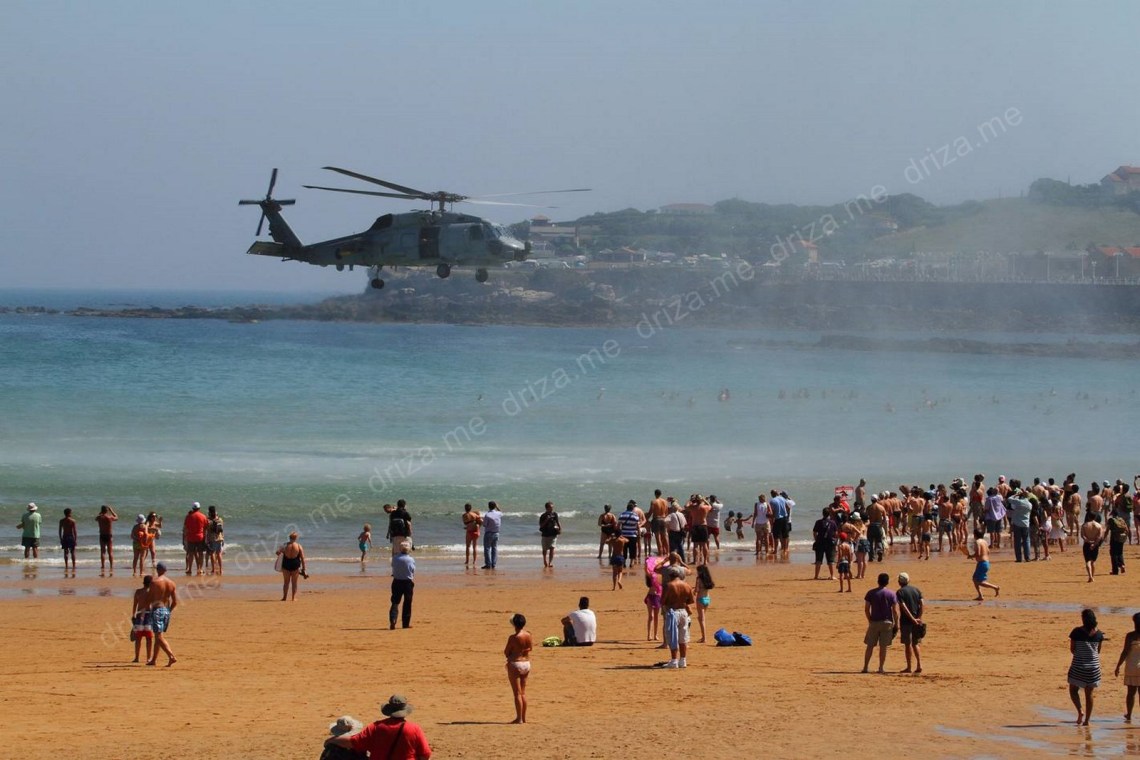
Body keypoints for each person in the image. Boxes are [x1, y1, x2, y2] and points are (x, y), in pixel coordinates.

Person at [324, 695, 432, 759]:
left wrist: (332, 740)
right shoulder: (414, 729)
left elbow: (353, 742)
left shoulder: (376, 727)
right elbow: (426, 754)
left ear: (388, 710)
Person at [1068, 608, 1105, 726]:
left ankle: (1080, 711)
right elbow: (1098, 651)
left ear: (1083, 619)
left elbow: (1072, 649)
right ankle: (1087, 721)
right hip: (1094, 668)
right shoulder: (1099, 634)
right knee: (1089, 694)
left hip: (1079, 666)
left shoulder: (1076, 632)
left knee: (1073, 690)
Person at [862, 572, 899, 674]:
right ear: (887, 582)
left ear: (878, 581)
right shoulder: (891, 594)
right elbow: (894, 611)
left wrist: (870, 620)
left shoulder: (871, 593)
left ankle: (865, 667)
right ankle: (881, 667)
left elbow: (866, 609)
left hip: (874, 622)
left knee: (870, 646)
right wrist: (896, 623)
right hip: (887, 622)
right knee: (883, 647)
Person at [659, 566, 695, 669]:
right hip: (683, 612)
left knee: (672, 636)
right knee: (683, 637)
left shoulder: (669, 585)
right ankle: (683, 660)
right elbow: (691, 600)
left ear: (670, 575)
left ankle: (674, 660)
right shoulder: (686, 585)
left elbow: (662, 601)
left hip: (672, 612)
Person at [143, 562, 177, 667]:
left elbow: (149, 598)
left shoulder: (155, 582)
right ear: (165, 570)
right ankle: (154, 660)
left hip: (157, 609)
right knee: (159, 635)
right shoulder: (172, 583)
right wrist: (169, 611)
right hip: (166, 610)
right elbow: (175, 602)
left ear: (157, 570)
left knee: (158, 636)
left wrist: (147, 610)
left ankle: (171, 656)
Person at [505, 613, 533, 724]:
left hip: (516, 663)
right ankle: (524, 718)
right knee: (523, 693)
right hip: (526, 663)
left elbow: (506, 652)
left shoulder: (513, 637)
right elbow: (530, 648)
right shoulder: (528, 635)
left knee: (517, 693)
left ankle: (519, 718)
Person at [1113, 611, 1140, 722]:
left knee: (1131, 693)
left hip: (1131, 667)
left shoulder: (1130, 636)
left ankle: (1129, 715)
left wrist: (1118, 666)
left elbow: (1125, 652)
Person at [896, 572, 924, 674]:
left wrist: (912, 619)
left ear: (899, 582)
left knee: (908, 644)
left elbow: (903, 606)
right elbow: (922, 604)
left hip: (906, 621)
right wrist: (918, 617)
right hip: (916, 621)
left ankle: (909, 667)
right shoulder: (916, 590)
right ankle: (919, 665)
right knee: (915, 643)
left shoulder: (900, 592)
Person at [967, 528, 1000, 600]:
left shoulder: (977, 542)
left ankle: (995, 587)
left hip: (982, 563)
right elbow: (988, 551)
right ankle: (980, 596)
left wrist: (971, 556)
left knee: (978, 581)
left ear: (975, 535)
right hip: (986, 562)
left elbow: (978, 553)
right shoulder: (985, 542)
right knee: (975, 579)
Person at [390, 540, 415, 629]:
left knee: (395, 602)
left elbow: (393, 566)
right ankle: (405, 624)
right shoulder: (411, 559)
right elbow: (412, 570)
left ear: (400, 549)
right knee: (407, 602)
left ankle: (393, 620)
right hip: (407, 582)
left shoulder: (395, 558)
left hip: (397, 581)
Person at [276, 531, 307, 601]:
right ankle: (293, 598)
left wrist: (283, 552)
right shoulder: (298, 546)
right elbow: (302, 558)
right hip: (295, 564)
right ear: (296, 538)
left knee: (286, 582)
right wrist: (304, 569)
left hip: (286, 564)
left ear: (289, 537)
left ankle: (284, 597)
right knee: (294, 583)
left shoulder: (285, 545)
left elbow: (277, 553)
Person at [130, 575, 154, 664]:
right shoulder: (152, 592)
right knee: (149, 638)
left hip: (140, 615)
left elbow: (135, 605)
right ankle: (149, 658)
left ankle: (136, 658)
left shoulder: (138, 591)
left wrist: (133, 615)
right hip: (148, 615)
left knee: (138, 638)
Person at [182, 502, 208, 575]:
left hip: (190, 537)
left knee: (191, 554)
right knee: (200, 553)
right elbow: (206, 527)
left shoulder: (188, 517)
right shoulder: (203, 516)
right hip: (200, 537)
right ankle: (200, 569)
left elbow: (186, 527)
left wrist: (184, 537)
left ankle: (190, 569)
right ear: (199, 508)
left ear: (192, 508)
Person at [812, 507, 837, 580]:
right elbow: (835, 534)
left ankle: (816, 576)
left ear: (822, 514)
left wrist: (816, 539)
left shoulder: (818, 522)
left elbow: (814, 532)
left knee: (818, 560)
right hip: (830, 543)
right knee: (830, 560)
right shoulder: (833, 522)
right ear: (829, 514)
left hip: (820, 542)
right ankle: (832, 575)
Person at [1081, 511, 1106, 583]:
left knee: (1088, 561)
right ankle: (1092, 576)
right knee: (1093, 561)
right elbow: (1100, 536)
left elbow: (1083, 536)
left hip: (1087, 544)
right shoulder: (1099, 526)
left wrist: (1089, 541)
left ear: (1089, 517)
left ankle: (1090, 576)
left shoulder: (1084, 525)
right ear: (1095, 517)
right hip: (1095, 544)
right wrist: (1094, 544)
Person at [693, 564, 715, 644]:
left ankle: (704, 638)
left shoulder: (698, 579)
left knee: (701, 619)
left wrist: (693, 591)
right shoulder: (708, 579)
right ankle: (703, 637)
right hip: (707, 598)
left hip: (700, 599)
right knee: (701, 618)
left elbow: (696, 590)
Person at [618, 500, 642, 567]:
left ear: (627, 508)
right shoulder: (635, 516)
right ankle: (631, 562)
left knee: (624, 549)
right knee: (632, 549)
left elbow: (618, 526)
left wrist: (619, 534)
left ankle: (624, 562)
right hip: (633, 535)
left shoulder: (622, 515)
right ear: (632, 509)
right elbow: (637, 527)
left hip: (624, 535)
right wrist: (639, 534)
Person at [643, 556, 663, 640]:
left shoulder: (662, 576)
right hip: (650, 596)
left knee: (656, 616)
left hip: (658, 596)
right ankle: (649, 635)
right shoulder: (652, 575)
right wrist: (646, 563)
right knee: (650, 616)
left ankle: (655, 634)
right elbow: (646, 570)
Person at [96, 504, 118, 574]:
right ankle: (111, 566)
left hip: (102, 535)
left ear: (101, 510)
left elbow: (96, 518)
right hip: (109, 535)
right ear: (107, 510)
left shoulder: (99, 518)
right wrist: (111, 511)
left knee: (103, 551)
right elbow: (117, 517)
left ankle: (103, 565)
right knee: (110, 551)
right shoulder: (110, 517)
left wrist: (100, 513)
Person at [538, 501, 561, 568]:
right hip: (545, 534)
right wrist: (546, 520)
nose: (552, 509)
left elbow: (558, 522)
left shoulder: (555, 514)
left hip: (553, 534)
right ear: (547, 508)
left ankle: (550, 562)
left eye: (552, 507)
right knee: (544, 549)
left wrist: (560, 529)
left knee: (552, 548)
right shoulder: (543, 516)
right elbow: (541, 526)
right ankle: (544, 560)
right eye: (550, 508)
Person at [1107, 507, 1129, 575]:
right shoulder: (1121, 519)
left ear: (1112, 513)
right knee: (1120, 552)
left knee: (1113, 553)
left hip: (1114, 538)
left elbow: (1107, 530)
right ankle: (1122, 565)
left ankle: (1115, 571)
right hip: (1121, 538)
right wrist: (1125, 537)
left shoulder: (1111, 520)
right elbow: (1127, 529)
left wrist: (1104, 538)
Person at [481, 501, 502, 570]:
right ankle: (493, 564)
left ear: (488, 506)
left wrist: (481, 520)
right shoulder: (498, 514)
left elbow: (484, 525)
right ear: (495, 506)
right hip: (496, 533)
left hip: (489, 533)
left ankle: (488, 564)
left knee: (487, 549)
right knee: (494, 548)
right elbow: (501, 512)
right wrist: (497, 507)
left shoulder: (487, 515)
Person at [649, 489, 669, 556]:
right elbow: (666, 512)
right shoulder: (665, 502)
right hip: (663, 519)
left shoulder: (654, 501)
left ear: (655, 494)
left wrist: (646, 518)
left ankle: (660, 553)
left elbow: (651, 511)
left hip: (656, 519)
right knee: (665, 536)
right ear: (661, 494)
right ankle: (667, 552)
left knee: (658, 537)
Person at [206, 505, 224, 575]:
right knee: (219, 554)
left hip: (212, 538)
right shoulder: (220, 519)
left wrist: (206, 539)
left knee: (212, 554)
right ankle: (221, 569)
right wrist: (223, 538)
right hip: (219, 538)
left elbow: (207, 530)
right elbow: (222, 530)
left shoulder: (209, 521)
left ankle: (213, 569)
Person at [59, 507, 77, 572]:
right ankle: (73, 566)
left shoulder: (61, 521)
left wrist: (60, 538)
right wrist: (75, 539)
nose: (71, 514)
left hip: (64, 536)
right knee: (73, 552)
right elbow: (74, 531)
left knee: (66, 552)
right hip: (71, 537)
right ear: (69, 513)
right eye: (71, 513)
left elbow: (60, 531)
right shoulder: (73, 521)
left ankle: (66, 565)